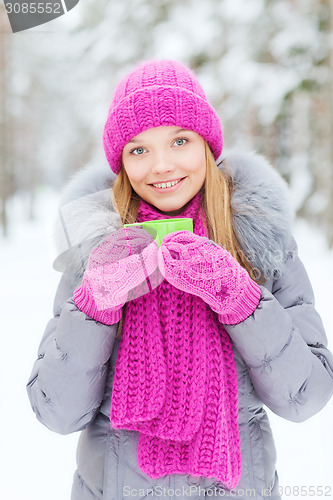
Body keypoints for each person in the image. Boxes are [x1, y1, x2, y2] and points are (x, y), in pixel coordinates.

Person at [27, 59, 333, 500]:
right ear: (121, 163)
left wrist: (242, 301)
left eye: (180, 141)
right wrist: (95, 306)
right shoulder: (96, 251)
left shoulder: (260, 242)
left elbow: (305, 397)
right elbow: (56, 412)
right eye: (138, 149)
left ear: (206, 144)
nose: (161, 166)